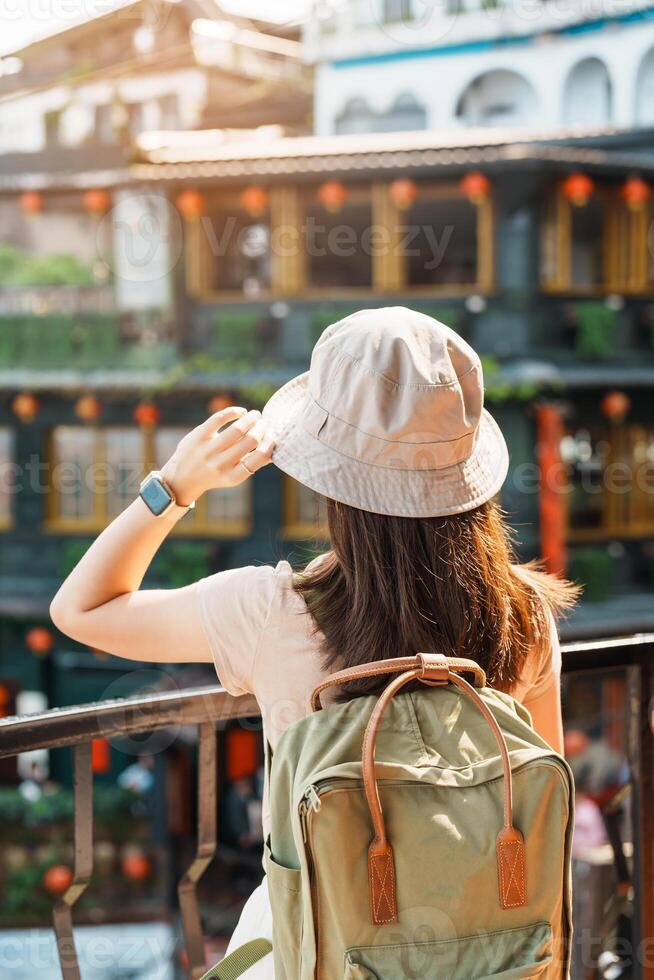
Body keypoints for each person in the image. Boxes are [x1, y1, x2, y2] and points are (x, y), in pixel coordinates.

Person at [50, 307, 578, 977]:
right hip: (488, 949)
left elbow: (82, 608)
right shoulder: (522, 611)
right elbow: (544, 789)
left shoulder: (273, 611)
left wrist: (174, 486)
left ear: (330, 479)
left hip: (324, 942)